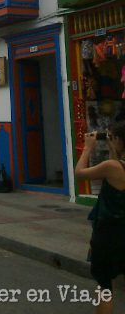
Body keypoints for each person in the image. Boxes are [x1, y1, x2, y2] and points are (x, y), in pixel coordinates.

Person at [75, 121, 125, 314]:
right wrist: (114, 148)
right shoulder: (116, 165)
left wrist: (87, 149)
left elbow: (80, 174)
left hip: (109, 232)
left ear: (119, 139)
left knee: (105, 285)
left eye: (112, 137)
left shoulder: (112, 167)